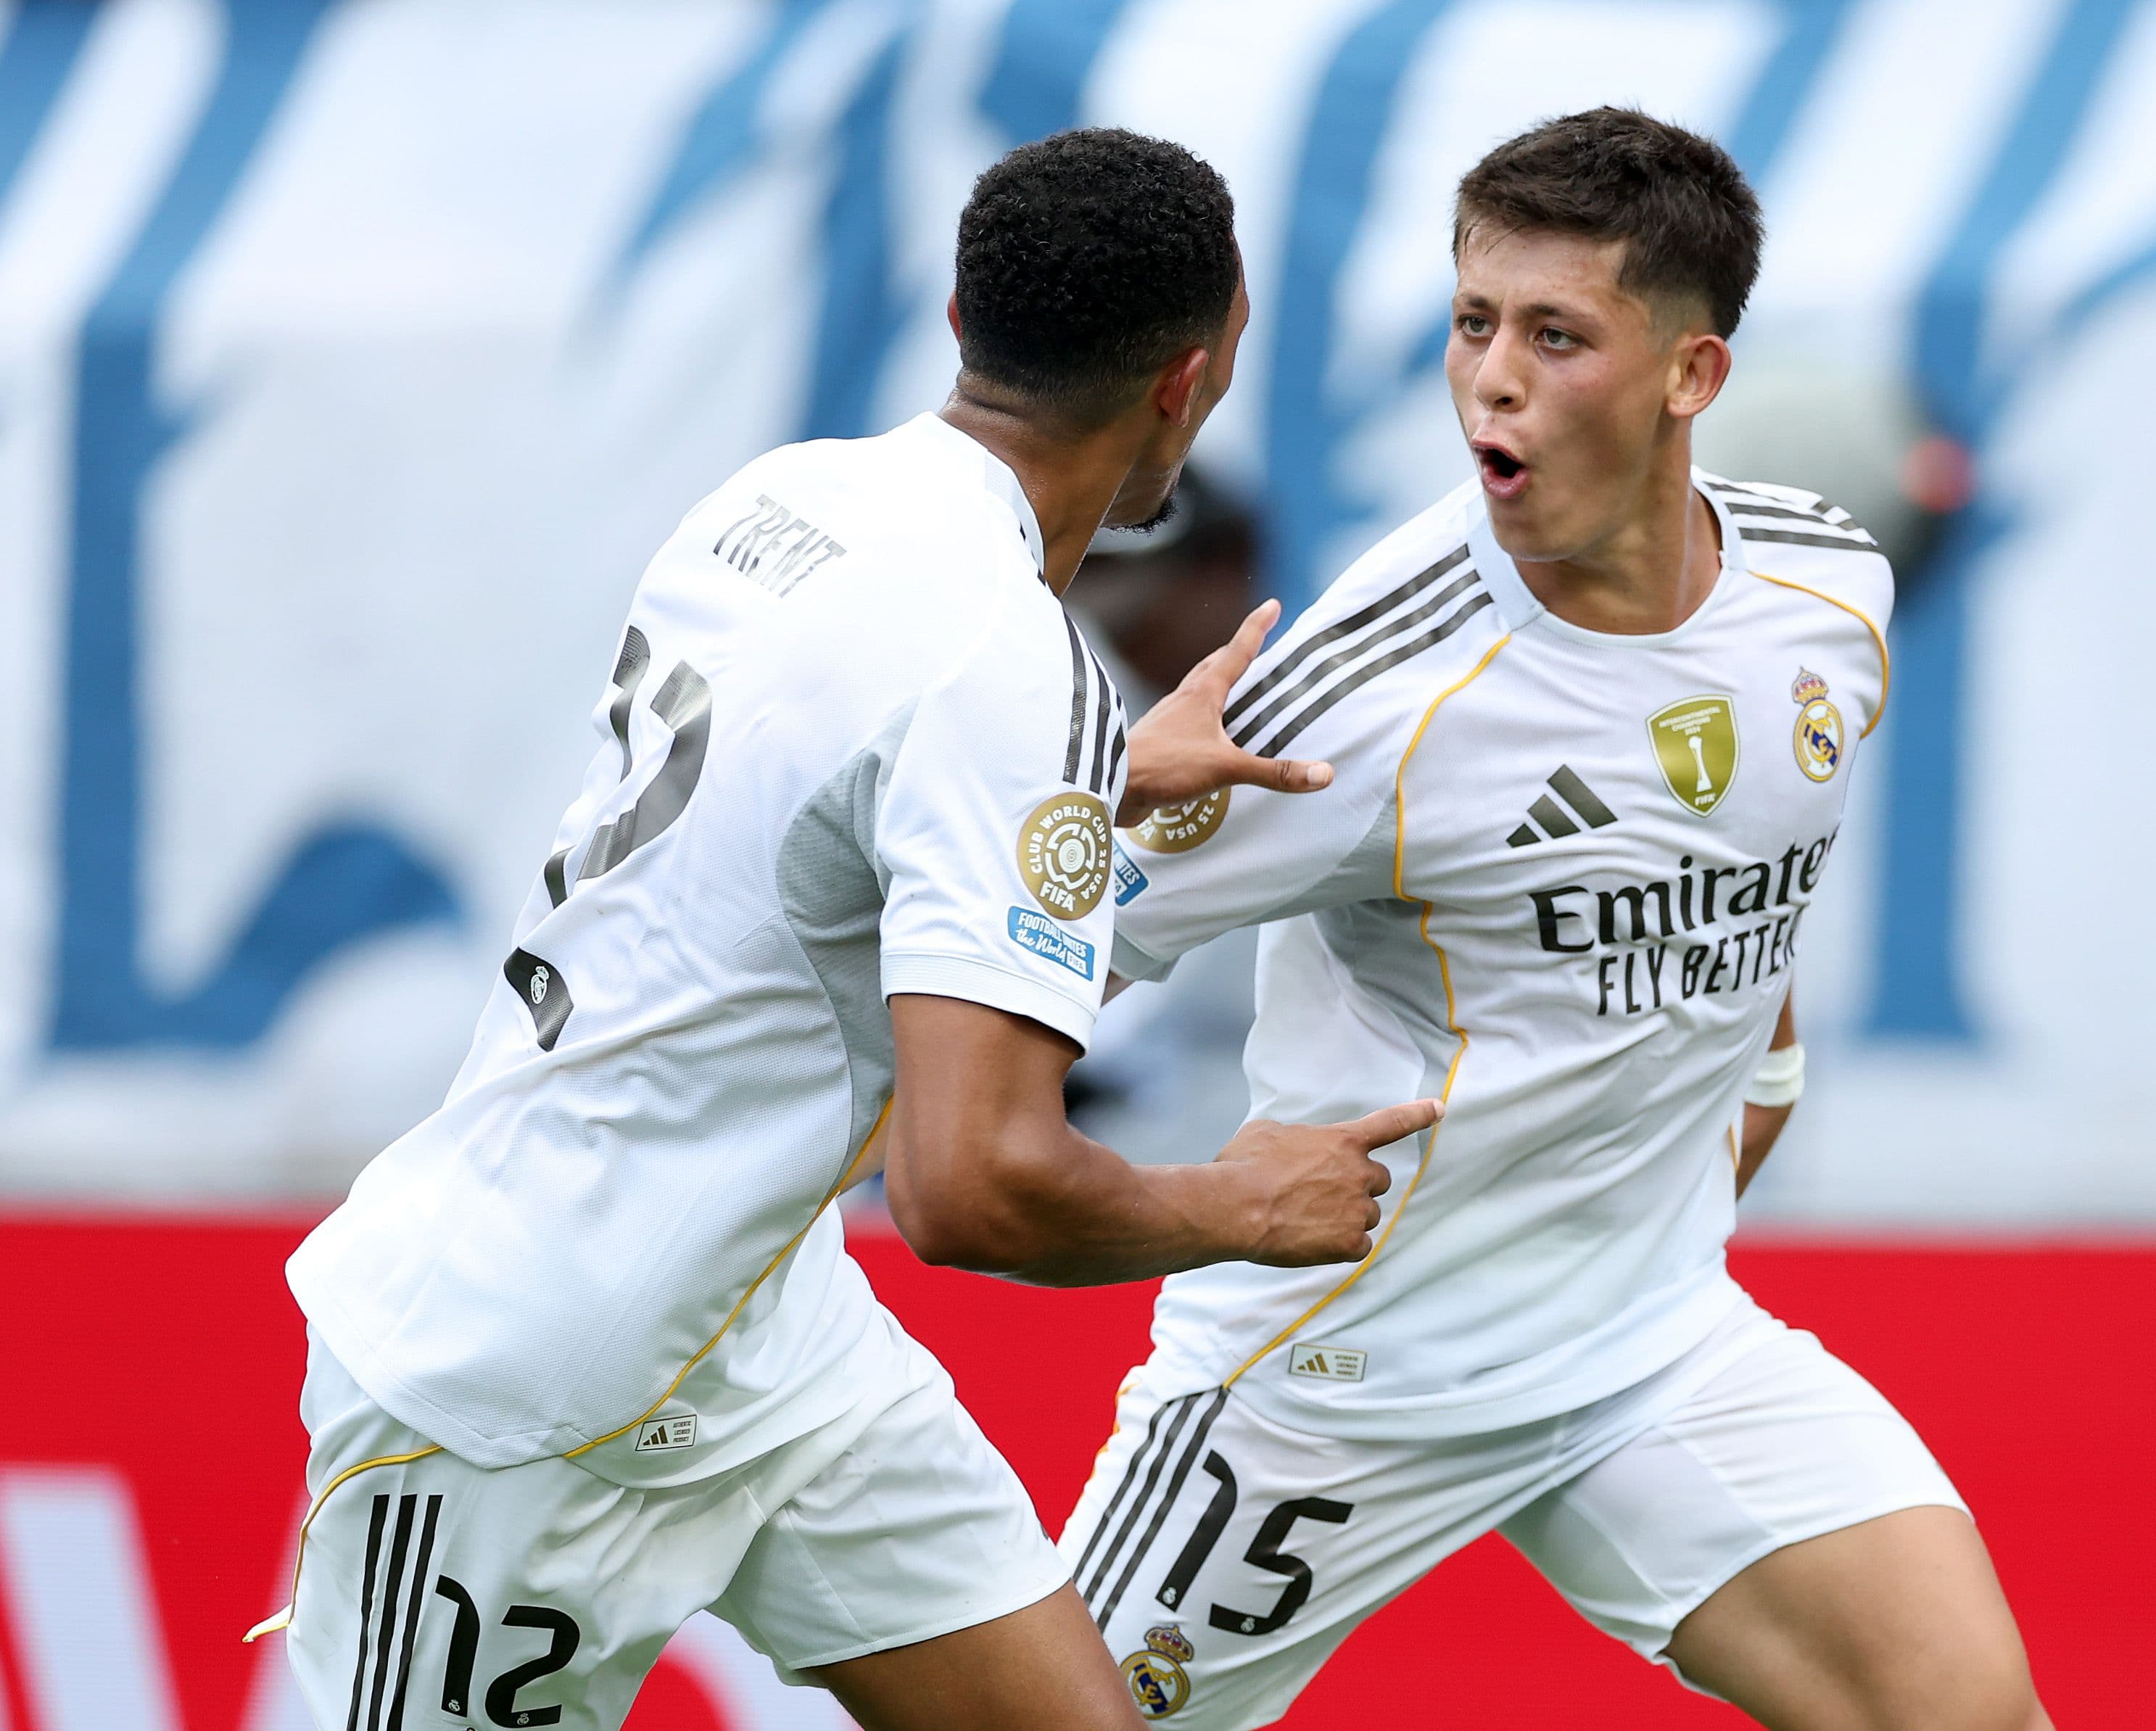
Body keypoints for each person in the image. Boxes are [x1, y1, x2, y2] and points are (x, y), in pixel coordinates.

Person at [254, 128, 1438, 1731]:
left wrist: (1088, 775)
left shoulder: (783, 497)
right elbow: (973, 1189)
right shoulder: (1005, 670)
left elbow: (803, 805)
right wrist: (1238, 1203)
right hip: (517, 1384)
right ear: (1193, 377)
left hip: (759, 1315)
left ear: (959, 317)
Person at [1073, 110, 2049, 1730]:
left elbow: (1739, 866)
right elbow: (1013, 952)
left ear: (1690, 376)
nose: (1491, 380)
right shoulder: (1361, 690)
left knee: (1964, 1715)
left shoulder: (1824, 596)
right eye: (1471, 324)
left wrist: (1756, 1088)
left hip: (1645, 1351)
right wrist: (1101, 800)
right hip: (1335, 1378)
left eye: (1553, 335)